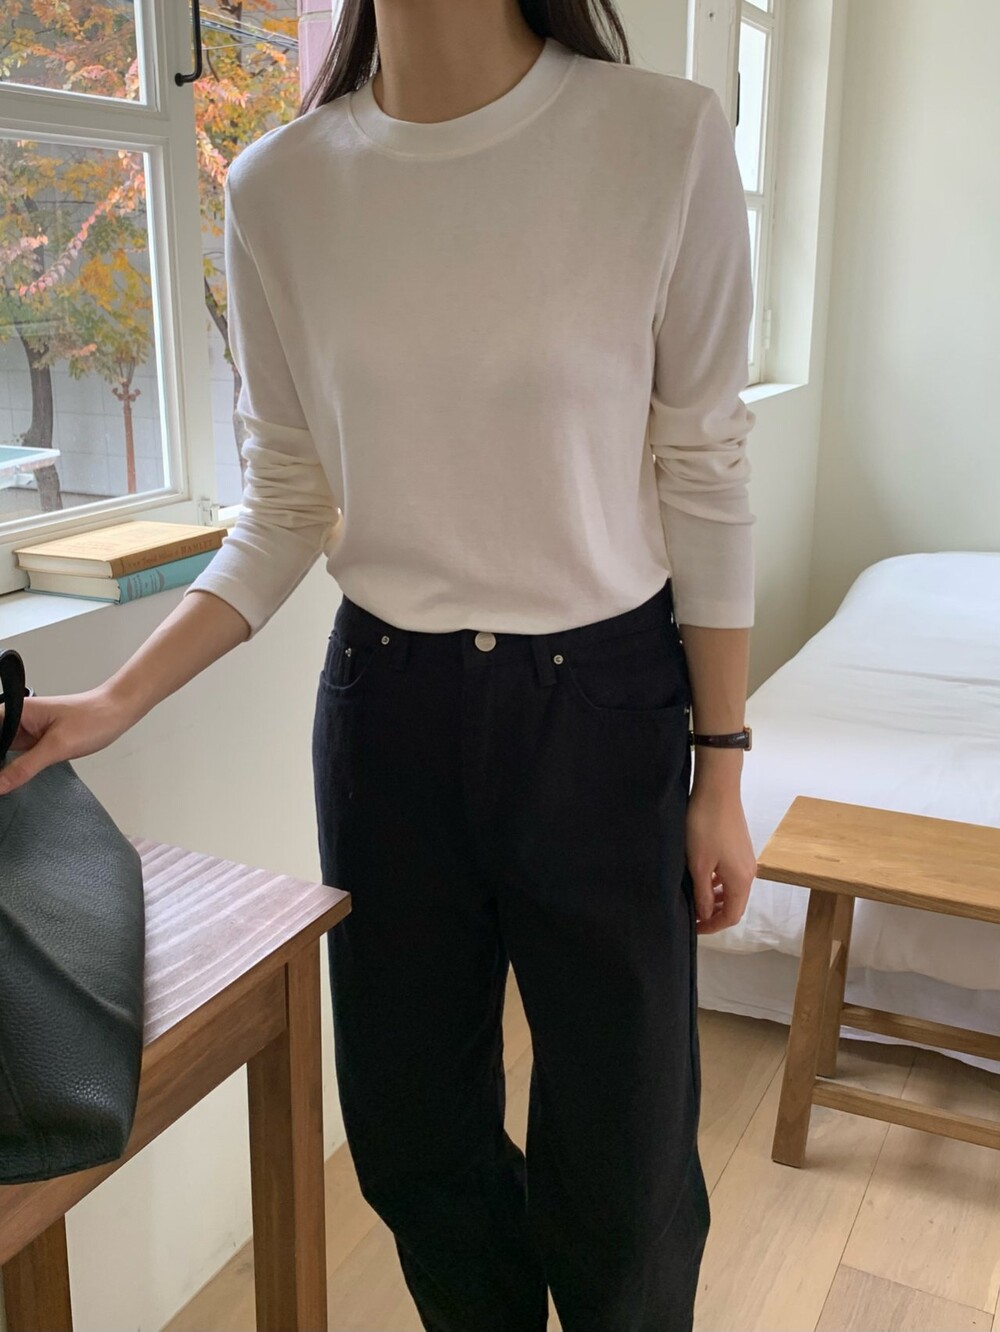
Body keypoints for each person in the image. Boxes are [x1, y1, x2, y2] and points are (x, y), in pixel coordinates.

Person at [0, 1, 759, 1327]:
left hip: (606, 712)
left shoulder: (660, 137)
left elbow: (705, 467)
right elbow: (286, 500)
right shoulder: (280, 186)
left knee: (626, 1157)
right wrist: (117, 700)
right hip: (388, 715)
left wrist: (723, 767)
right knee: (410, 1137)